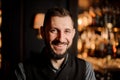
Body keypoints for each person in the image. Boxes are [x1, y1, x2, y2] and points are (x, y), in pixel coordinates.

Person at [11, 7, 96, 80]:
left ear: (73, 34)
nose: (61, 39)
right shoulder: (23, 71)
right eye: (54, 31)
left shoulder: (85, 69)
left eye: (67, 31)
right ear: (42, 32)